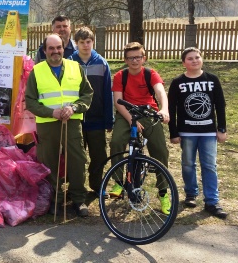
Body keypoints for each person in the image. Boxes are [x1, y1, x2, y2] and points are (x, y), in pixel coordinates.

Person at [25, 33, 93, 217]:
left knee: (77, 160)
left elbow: (87, 94)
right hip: (47, 124)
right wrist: (51, 112)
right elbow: (30, 101)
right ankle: (55, 200)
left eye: (59, 48)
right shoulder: (37, 71)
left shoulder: (75, 67)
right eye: (51, 48)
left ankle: (78, 200)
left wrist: (74, 107)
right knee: (49, 163)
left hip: (72, 122)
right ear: (45, 50)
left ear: (64, 48)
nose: (55, 51)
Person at [109, 42, 172, 214]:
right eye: (131, 58)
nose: (135, 61)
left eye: (138, 57)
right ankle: (119, 182)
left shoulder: (150, 74)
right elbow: (117, 101)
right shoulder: (120, 76)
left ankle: (163, 192)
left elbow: (160, 92)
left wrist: (164, 109)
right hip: (126, 113)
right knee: (116, 142)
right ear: (125, 60)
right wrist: (131, 120)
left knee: (160, 151)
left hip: (148, 112)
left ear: (144, 58)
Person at [168, 47, 228, 219]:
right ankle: (191, 194)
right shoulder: (178, 82)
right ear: (183, 62)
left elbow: (220, 105)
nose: (194, 60)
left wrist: (222, 129)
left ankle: (212, 201)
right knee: (188, 164)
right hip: (187, 131)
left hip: (208, 131)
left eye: (197, 57)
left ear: (202, 59)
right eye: (190, 58)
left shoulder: (212, 80)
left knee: (209, 165)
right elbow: (172, 109)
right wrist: (173, 132)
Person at [69, 27, 114, 197]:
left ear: (93, 42)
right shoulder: (70, 62)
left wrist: (109, 120)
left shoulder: (101, 63)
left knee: (98, 155)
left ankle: (97, 186)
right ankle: (77, 189)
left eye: (88, 42)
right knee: (77, 157)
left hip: (97, 119)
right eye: (82, 42)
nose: (86, 46)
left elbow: (107, 93)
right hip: (76, 118)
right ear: (76, 43)